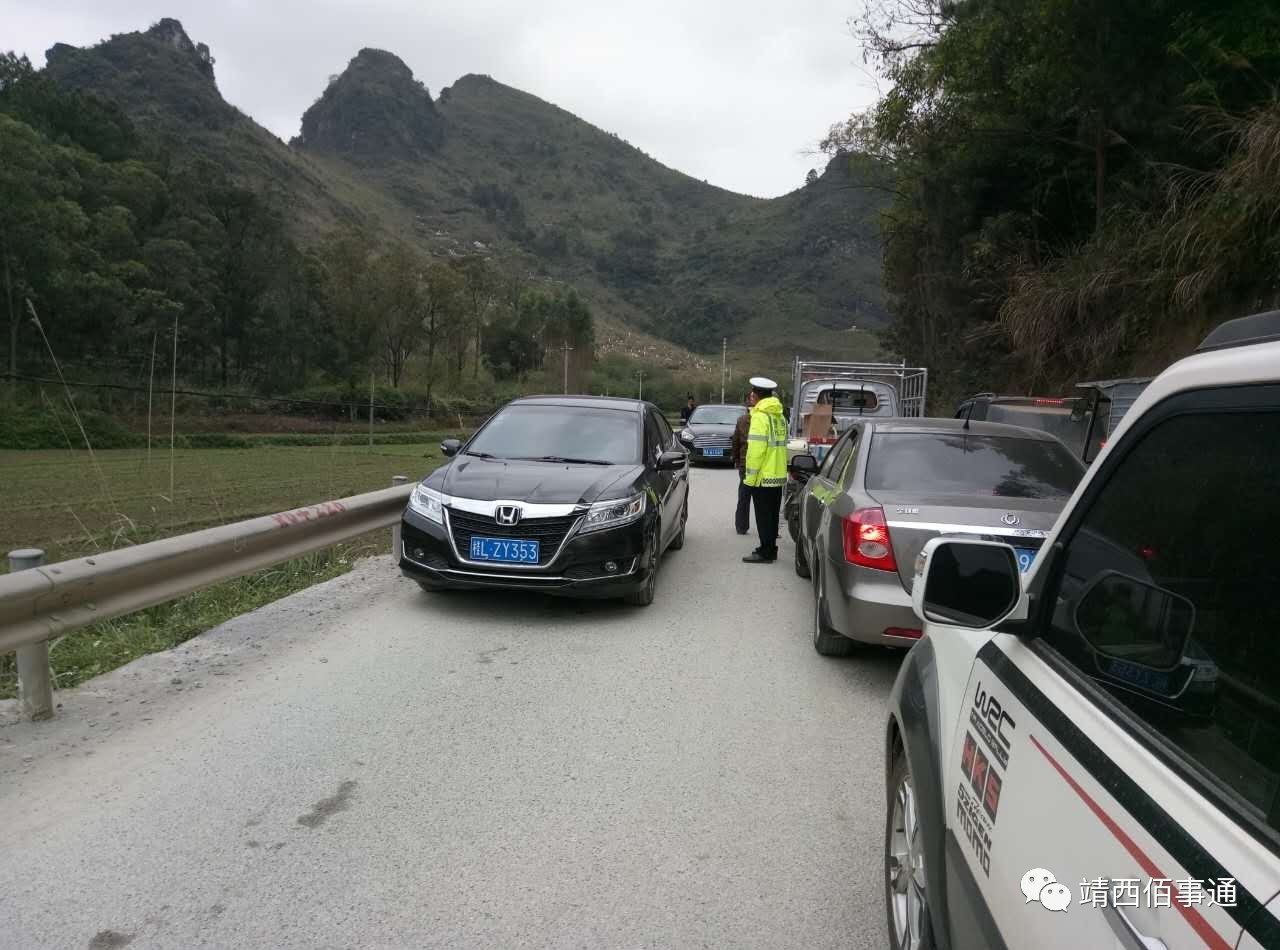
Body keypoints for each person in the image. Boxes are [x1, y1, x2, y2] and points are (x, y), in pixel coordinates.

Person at [742, 376, 788, 563]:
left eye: (753, 392)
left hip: (762, 476)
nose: (751, 396)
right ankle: (771, 548)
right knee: (772, 516)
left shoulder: (760, 417)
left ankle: (765, 552)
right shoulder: (779, 417)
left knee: (763, 516)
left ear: (756, 395)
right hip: (777, 475)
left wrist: (750, 478)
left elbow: (755, 451)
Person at [730, 398, 753, 535]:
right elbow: (736, 441)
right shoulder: (771, 420)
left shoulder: (742, 420)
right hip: (763, 465)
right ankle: (769, 529)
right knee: (763, 500)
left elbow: (735, 441)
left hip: (746, 463)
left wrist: (736, 459)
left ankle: (741, 526)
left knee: (744, 496)